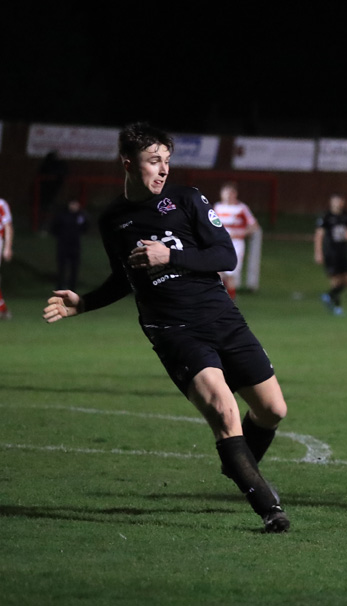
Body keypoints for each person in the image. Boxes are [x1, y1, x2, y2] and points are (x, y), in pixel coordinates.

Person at [42, 122, 291, 533]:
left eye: (167, 162)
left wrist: (169, 257)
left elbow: (225, 254)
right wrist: (83, 303)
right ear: (128, 163)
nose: (163, 170)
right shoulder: (114, 221)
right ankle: (270, 510)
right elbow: (125, 277)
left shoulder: (187, 199)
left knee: (273, 410)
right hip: (173, 328)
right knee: (224, 410)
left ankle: (238, 466)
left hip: (221, 317)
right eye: (153, 161)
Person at [213, 182, 259, 299]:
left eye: (230, 193)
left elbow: (254, 226)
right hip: (220, 244)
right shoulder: (217, 207)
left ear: (235, 194)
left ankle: (231, 300)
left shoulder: (241, 208)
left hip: (236, 244)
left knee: (230, 273)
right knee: (218, 272)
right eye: (225, 193)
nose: (228, 195)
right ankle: (219, 299)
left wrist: (240, 233)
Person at [314, 194, 347, 315]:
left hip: (343, 251)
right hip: (331, 252)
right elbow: (319, 235)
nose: (338, 203)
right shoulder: (326, 217)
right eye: (335, 201)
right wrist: (318, 252)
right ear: (331, 202)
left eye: (340, 201)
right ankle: (337, 307)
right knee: (335, 280)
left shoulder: (346, 215)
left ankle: (329, 295)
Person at [50, 198, 89, 291]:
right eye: (72, 204)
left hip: (75, 246)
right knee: (62, 268)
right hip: (63, 245)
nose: (74, 206)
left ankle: (72, 288)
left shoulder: (81, 216)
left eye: (75, 204)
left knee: (74, 268)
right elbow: (54, 227)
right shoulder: (62, 215)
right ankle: (60, 287)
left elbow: (86, 226)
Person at [0, 197, 13, 320]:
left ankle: (2, 309)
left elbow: (7, 226)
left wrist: (7, 247)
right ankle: (2, 308)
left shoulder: (1, 204)